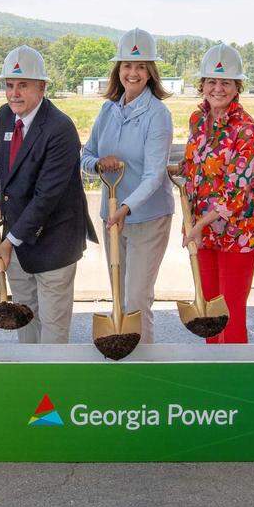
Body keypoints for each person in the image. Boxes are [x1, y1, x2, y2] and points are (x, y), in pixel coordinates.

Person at [0, 45, 97, 344]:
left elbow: (47, 196)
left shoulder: (60, 129)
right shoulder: (4, 117)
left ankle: (53, 390)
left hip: (54, 243)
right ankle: (31, 388)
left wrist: (8, 242)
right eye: (9, 85)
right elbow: (6, 169)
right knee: (26, 322)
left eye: (23, 85)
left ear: (42, 87)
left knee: (53, 330)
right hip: (19, 242)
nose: (14, 93)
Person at [80, 28, 175, 344]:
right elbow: (86, 154)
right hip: (113, 219)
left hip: (147, 218)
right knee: (119, 296)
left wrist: (125, 208)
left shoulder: (157, 115)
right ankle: (127, 360)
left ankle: (146, 369)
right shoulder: (108, 110)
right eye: (126, 66)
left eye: (140, 67)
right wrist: (97, 164)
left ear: (150, 73)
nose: (132, 73)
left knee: (136, 300)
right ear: (118, 70)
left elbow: (154, 175)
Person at [181, 43, 254, 344]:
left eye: (226, 82)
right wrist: (181, 169)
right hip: (202, 232)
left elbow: (237, 192)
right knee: (209, 315)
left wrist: (198, 225)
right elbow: (197, 166)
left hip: (237, 233)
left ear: (237, 87)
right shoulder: (197, 121)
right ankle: (212, 376)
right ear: (203, 85)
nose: (218, 88)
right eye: (212, 81)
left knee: (230, 313)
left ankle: (234, 380)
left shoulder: (245, 129)